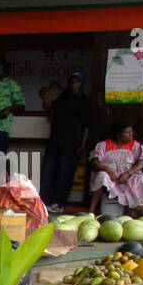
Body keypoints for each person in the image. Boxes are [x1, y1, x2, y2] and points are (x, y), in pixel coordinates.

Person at [40, 71, 92, 212]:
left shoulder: (85, 101)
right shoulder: (62, 97)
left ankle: (59, 202)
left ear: (82, 84)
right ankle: (44, 202)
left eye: (77, 82)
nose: (74, 84)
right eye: (72, 81)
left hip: (72, 144)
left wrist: (82, 145)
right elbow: (51, 112)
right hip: (55, 141)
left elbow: (87, 126)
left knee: (65, 174)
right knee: (48, 173)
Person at [88, 122, 143, 215]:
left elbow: (140, 163)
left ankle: (133, 210)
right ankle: (91, 210)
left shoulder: (136, 146)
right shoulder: (103, 145)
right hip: (110, 176)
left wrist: (128, 173)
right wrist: (107, 170)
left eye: (131, 132)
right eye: (127, 132)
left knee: (140, 179)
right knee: (101, 176)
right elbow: (95, 162)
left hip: (126, 177)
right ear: (118, 135)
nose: (131, 135)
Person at [0, 61, 26, 154]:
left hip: (0, 129)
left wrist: (8, 109)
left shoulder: (12, 85)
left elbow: (21, 105)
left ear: (4, 73)